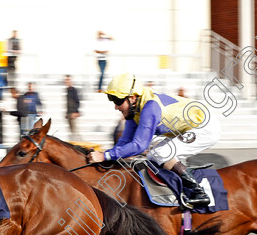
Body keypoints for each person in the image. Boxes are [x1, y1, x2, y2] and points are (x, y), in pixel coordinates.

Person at [87, 73, 221, 207]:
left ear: (132, 98)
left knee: (160, 153)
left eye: (117, 101)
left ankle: (199, 192)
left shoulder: (150, 107)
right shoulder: (135, 110)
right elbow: (125, 142)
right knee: (154, 154)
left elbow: (139, 145)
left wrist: (104, 156)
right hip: (189, 127)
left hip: (205, 127)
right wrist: (106, 155)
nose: (116, 107)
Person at [65, 75, 81, 140]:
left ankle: (80, 144)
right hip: (69, 113)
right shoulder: (67, 90)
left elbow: (77, 101)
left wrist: (75, 111)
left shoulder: (73, 90)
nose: (67, 81)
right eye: (66, 80)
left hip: (73, 113)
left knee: (75, 130)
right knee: (71, 130)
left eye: (68, 80)